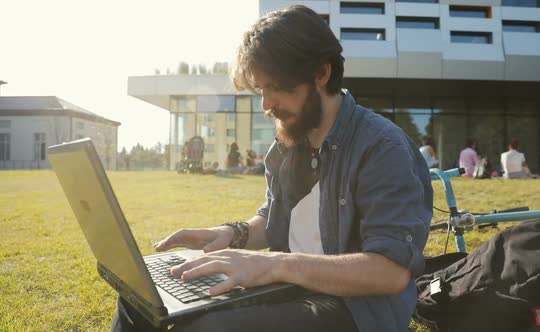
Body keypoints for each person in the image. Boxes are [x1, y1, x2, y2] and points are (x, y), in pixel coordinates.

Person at [110, 5, 433, 332]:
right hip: (288, 287)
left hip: (355, 309)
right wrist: (230, 234)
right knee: (140, 299)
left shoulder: (382, 147)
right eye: (261, 89)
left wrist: (274, 264)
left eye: (277, 87)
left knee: (210, 328)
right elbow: (273, 219)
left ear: (321, 74)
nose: (266, 104)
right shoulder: (287, 143)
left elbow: (390, 273)